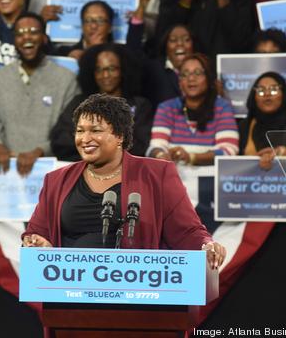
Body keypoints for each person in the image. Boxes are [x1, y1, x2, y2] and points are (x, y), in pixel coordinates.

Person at [22, 93, 225, 270]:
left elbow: (186, 231)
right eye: (80, 130)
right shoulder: (56, 180)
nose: (85, 138)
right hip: (69, 291)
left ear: (119, 135)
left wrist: (205, 245)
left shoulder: (157, 174)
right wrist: (37, 242)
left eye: (95, 130)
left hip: (136, 293)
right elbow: (36, 233)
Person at [0, 12, 79, 176]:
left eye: (33, 32)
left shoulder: (67, 79)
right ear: (13, 40)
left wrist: (40, 151)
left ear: (44, 37)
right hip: (6, 172)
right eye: (20, 34)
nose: (27, 37)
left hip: (52, 169)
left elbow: (71, 130)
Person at [50, 43, 152, 161]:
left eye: (112, 69)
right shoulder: (79, 103)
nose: (105, 75)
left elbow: (140, 147)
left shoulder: (140, 105)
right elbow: (61, 141)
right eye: (99, 70)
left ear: (123, 70)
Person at [147, 53, 238, 165]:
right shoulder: (167, 108)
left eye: (197, 73)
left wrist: (192, 157)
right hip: (174, 177)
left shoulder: (222, 107)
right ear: (180, 82)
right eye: (185, 74)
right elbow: (156, 146)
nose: (191, 78)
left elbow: (229, 150)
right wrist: (161, 155)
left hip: (209, 179)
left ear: (209, 79)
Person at [156, 0, 253, 64]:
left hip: (225, 73)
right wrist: (186, 0)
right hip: (186, 76)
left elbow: (241, 43)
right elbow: (161, 41)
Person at [239, 72, 286, 170]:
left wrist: (284, 153)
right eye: (261, 90)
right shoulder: (244, 126)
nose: (267, 94)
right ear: (254, 97)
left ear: (284, 94)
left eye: (274, 90)